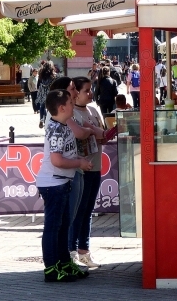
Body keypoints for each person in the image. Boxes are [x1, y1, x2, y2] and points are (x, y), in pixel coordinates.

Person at [36, 89, 92, 283]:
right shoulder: (57, 129)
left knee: (63, 226)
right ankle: (51, 268)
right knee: (53, 227)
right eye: (70, 101)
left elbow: (65, 154)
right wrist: (79, 164)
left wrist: (77, 158)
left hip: (62, 183)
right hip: (53, 184)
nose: (74, 101)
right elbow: (57, 160)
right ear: (62, 108)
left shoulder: (64, 124)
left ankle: (63, 262)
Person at [70, 76, 110, 269]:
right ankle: (72, 251)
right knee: (77, 211)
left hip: (95, 165)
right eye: (86, 90)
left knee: (87, 212)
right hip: (80, 168)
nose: (90, 93)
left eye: (90, 89)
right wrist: (91, 132)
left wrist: (102, 135)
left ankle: (84, 251)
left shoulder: (93, 110)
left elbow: (101, 134)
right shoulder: (72, 114)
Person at [35, 61, 57, 128]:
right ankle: (48, 120)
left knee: (42, 106)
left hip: (43, 93)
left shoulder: (41, 75)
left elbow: (38, 85)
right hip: (50, 93)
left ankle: (41, 119)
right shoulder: (54, 75)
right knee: (49, 108)